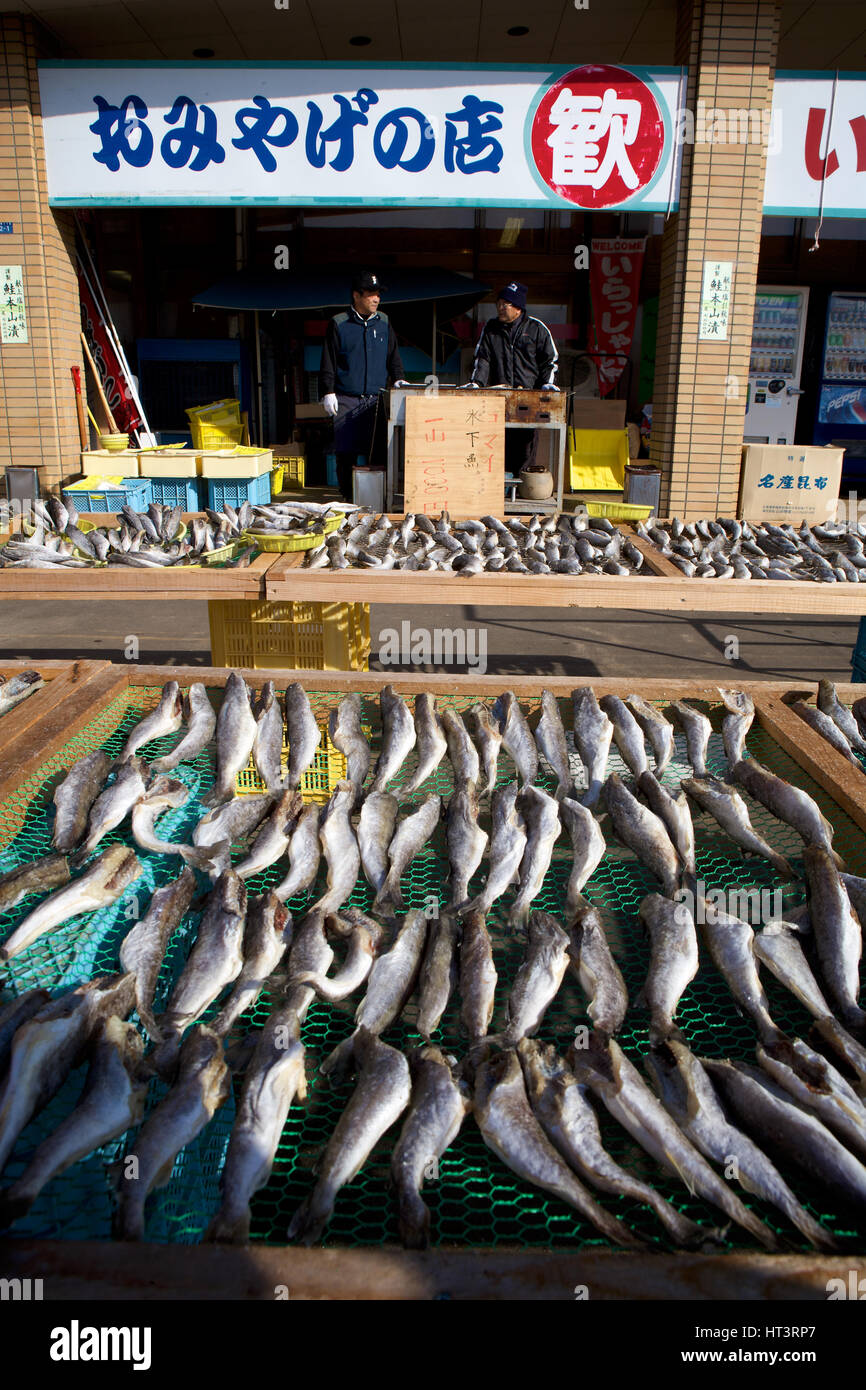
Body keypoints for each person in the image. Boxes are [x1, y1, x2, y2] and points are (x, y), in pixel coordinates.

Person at [320, 271, 408, 500]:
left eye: (378, 295)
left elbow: (393, 356)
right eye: (370, 295)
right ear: (356, 296)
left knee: (378, 452)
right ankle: (348, 499)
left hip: (376, 399)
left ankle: (376, 501)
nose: (376, 299)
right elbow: (328, 359)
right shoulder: (339, 323)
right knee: (346, 452)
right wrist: (327, 391)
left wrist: (398, 378)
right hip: (346, 398)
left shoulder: (385, 322)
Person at [466, 281, 559, 473]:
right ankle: (501, 491)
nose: (500, 307)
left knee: (525, 448)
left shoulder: (536, 328)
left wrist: (547, 384)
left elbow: (550, 360)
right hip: (500, 399)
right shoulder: (491, 329)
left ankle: (523, 490)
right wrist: (476, 383)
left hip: (528, 400)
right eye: (498, 303)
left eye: (505, 304)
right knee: (497, 444)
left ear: (518, 308)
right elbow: (483, 359)